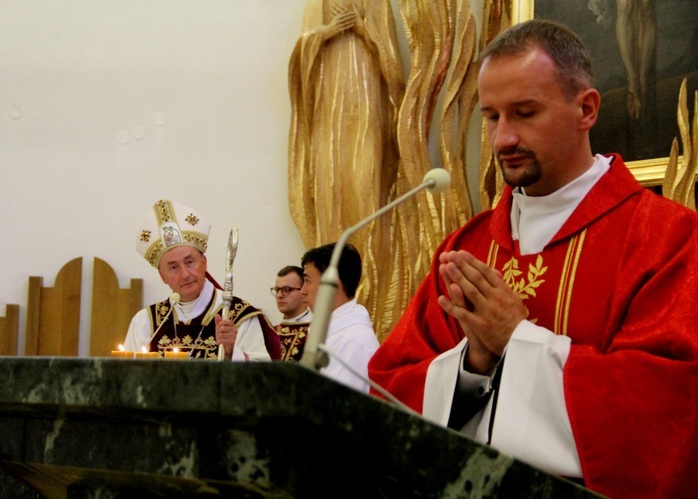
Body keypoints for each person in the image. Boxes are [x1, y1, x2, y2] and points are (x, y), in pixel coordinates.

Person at [368, 19, 698, 498]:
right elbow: (388, 390)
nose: (502, 139)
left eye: (524, 113)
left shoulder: (665, 238)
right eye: (491, 117)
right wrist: (470, 368)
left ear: (586, 109)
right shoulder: (468, 248)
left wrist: (515, 340)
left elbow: (672, 409)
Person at [123, 199, 281, 361]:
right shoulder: (146, 322)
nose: (185, 274)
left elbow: (263, 378)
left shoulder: (238, 316)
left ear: (204, 263)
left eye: (190, 262)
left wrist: (231, 353)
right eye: (173, 267)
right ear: (163, 276)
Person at [301, 243, 380, 393]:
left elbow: (331, 406)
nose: (302, 291)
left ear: (332, 285)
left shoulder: (354, 341)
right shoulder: (333, 333)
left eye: (308, 281)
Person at [272, 265, 313, 362]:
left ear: (303, 292)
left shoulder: (315, 333)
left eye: (287, 290)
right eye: (277, 289)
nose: (279, 295)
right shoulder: (270, 332)